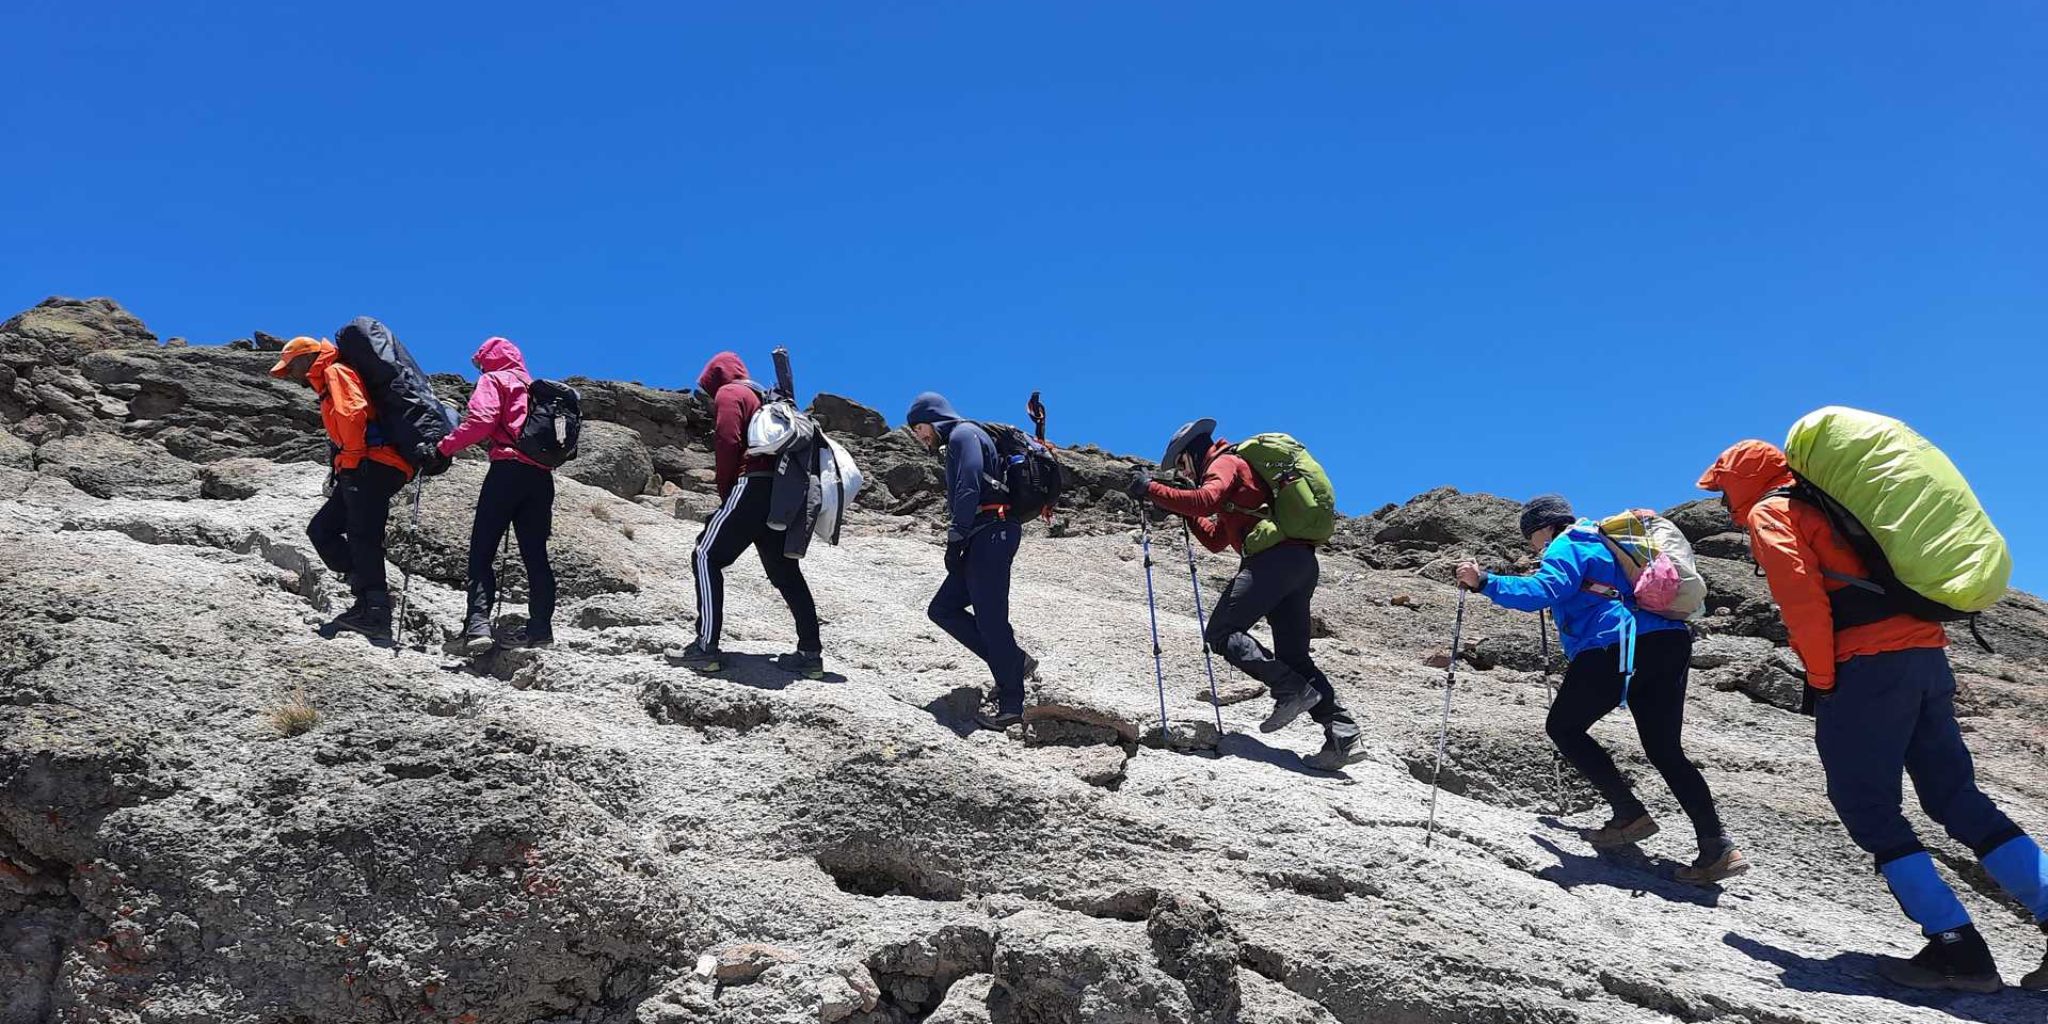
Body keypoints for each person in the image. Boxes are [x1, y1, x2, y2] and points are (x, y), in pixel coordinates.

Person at [1701, 441, 2048, 993]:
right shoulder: (1837, 505)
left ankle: (1957, 949)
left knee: (1868, 807)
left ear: (1743, 481)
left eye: (1722, 489)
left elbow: (1802, 601)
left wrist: (1820, 678)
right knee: (1956, 798)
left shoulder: (1773, 512)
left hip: (1866, 666)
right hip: (1925, 657)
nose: (1721, 503)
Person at [1453, 495, 1746, 884]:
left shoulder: (1569, 542)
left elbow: (1544, 590)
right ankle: (1717, 847)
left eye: (1532, 538)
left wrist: (1484, 581)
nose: (1534, 546)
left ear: (1544, 528)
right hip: (1669, 641)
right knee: (1665, 749)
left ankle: (1628, 813)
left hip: (1617, 642)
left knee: (1564, 727)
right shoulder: (1610, 541)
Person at [1127, 419, 1363, 771]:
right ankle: (1342, 733)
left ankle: (1289, 690)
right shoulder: (1242, 472)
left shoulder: (1224, 462)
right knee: (1294, 656)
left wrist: (1152, 490)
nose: (1182, 472)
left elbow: (1205, 500)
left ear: (1189, 455)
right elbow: (1216, 539)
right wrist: (1179, 506)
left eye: (1180, 465)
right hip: (1300, 563)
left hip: (1272, 562)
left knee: (1221, 633)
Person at [665, 353, 824, 678]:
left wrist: (727, 494)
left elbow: (727, 441)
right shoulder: (760, 396)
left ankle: (705, 648)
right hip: (778, 495)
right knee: (785, 573)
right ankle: (810, 655)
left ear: (715, 378)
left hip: (749, 486)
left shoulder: (730, 393)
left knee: (706, 555)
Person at [270, 335, 414, 642]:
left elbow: (353, 413)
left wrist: (349, 460)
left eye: (290, 368)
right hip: (366, 464)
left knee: (363, 535)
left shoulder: (335, 371)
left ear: (305, 358)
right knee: (322, 530)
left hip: (371, 464)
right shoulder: (328, 376)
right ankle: (366, 592)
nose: (291, 376)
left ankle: (375, 611)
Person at [905, 392, 1033, 730]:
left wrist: (956, 534)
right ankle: (1014, 663)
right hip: (984, 535)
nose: (920, 437)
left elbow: (969, 484)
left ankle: (1011, 705)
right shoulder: (965, 437)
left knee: (991, 619)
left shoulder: (963, 434)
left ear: (932, 418)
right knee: (942, 608)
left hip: (991, 534)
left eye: (919, 428)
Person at [438, 337, 556, 652]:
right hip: (541, 478)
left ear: (488, 359)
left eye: (480, 362)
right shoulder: (536, 389)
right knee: (536, 557)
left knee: (482, 551)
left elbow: (482, 421)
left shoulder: (494, 379)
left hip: (506, 471)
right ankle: (541, 630)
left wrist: (445, 446)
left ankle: (477, 627)